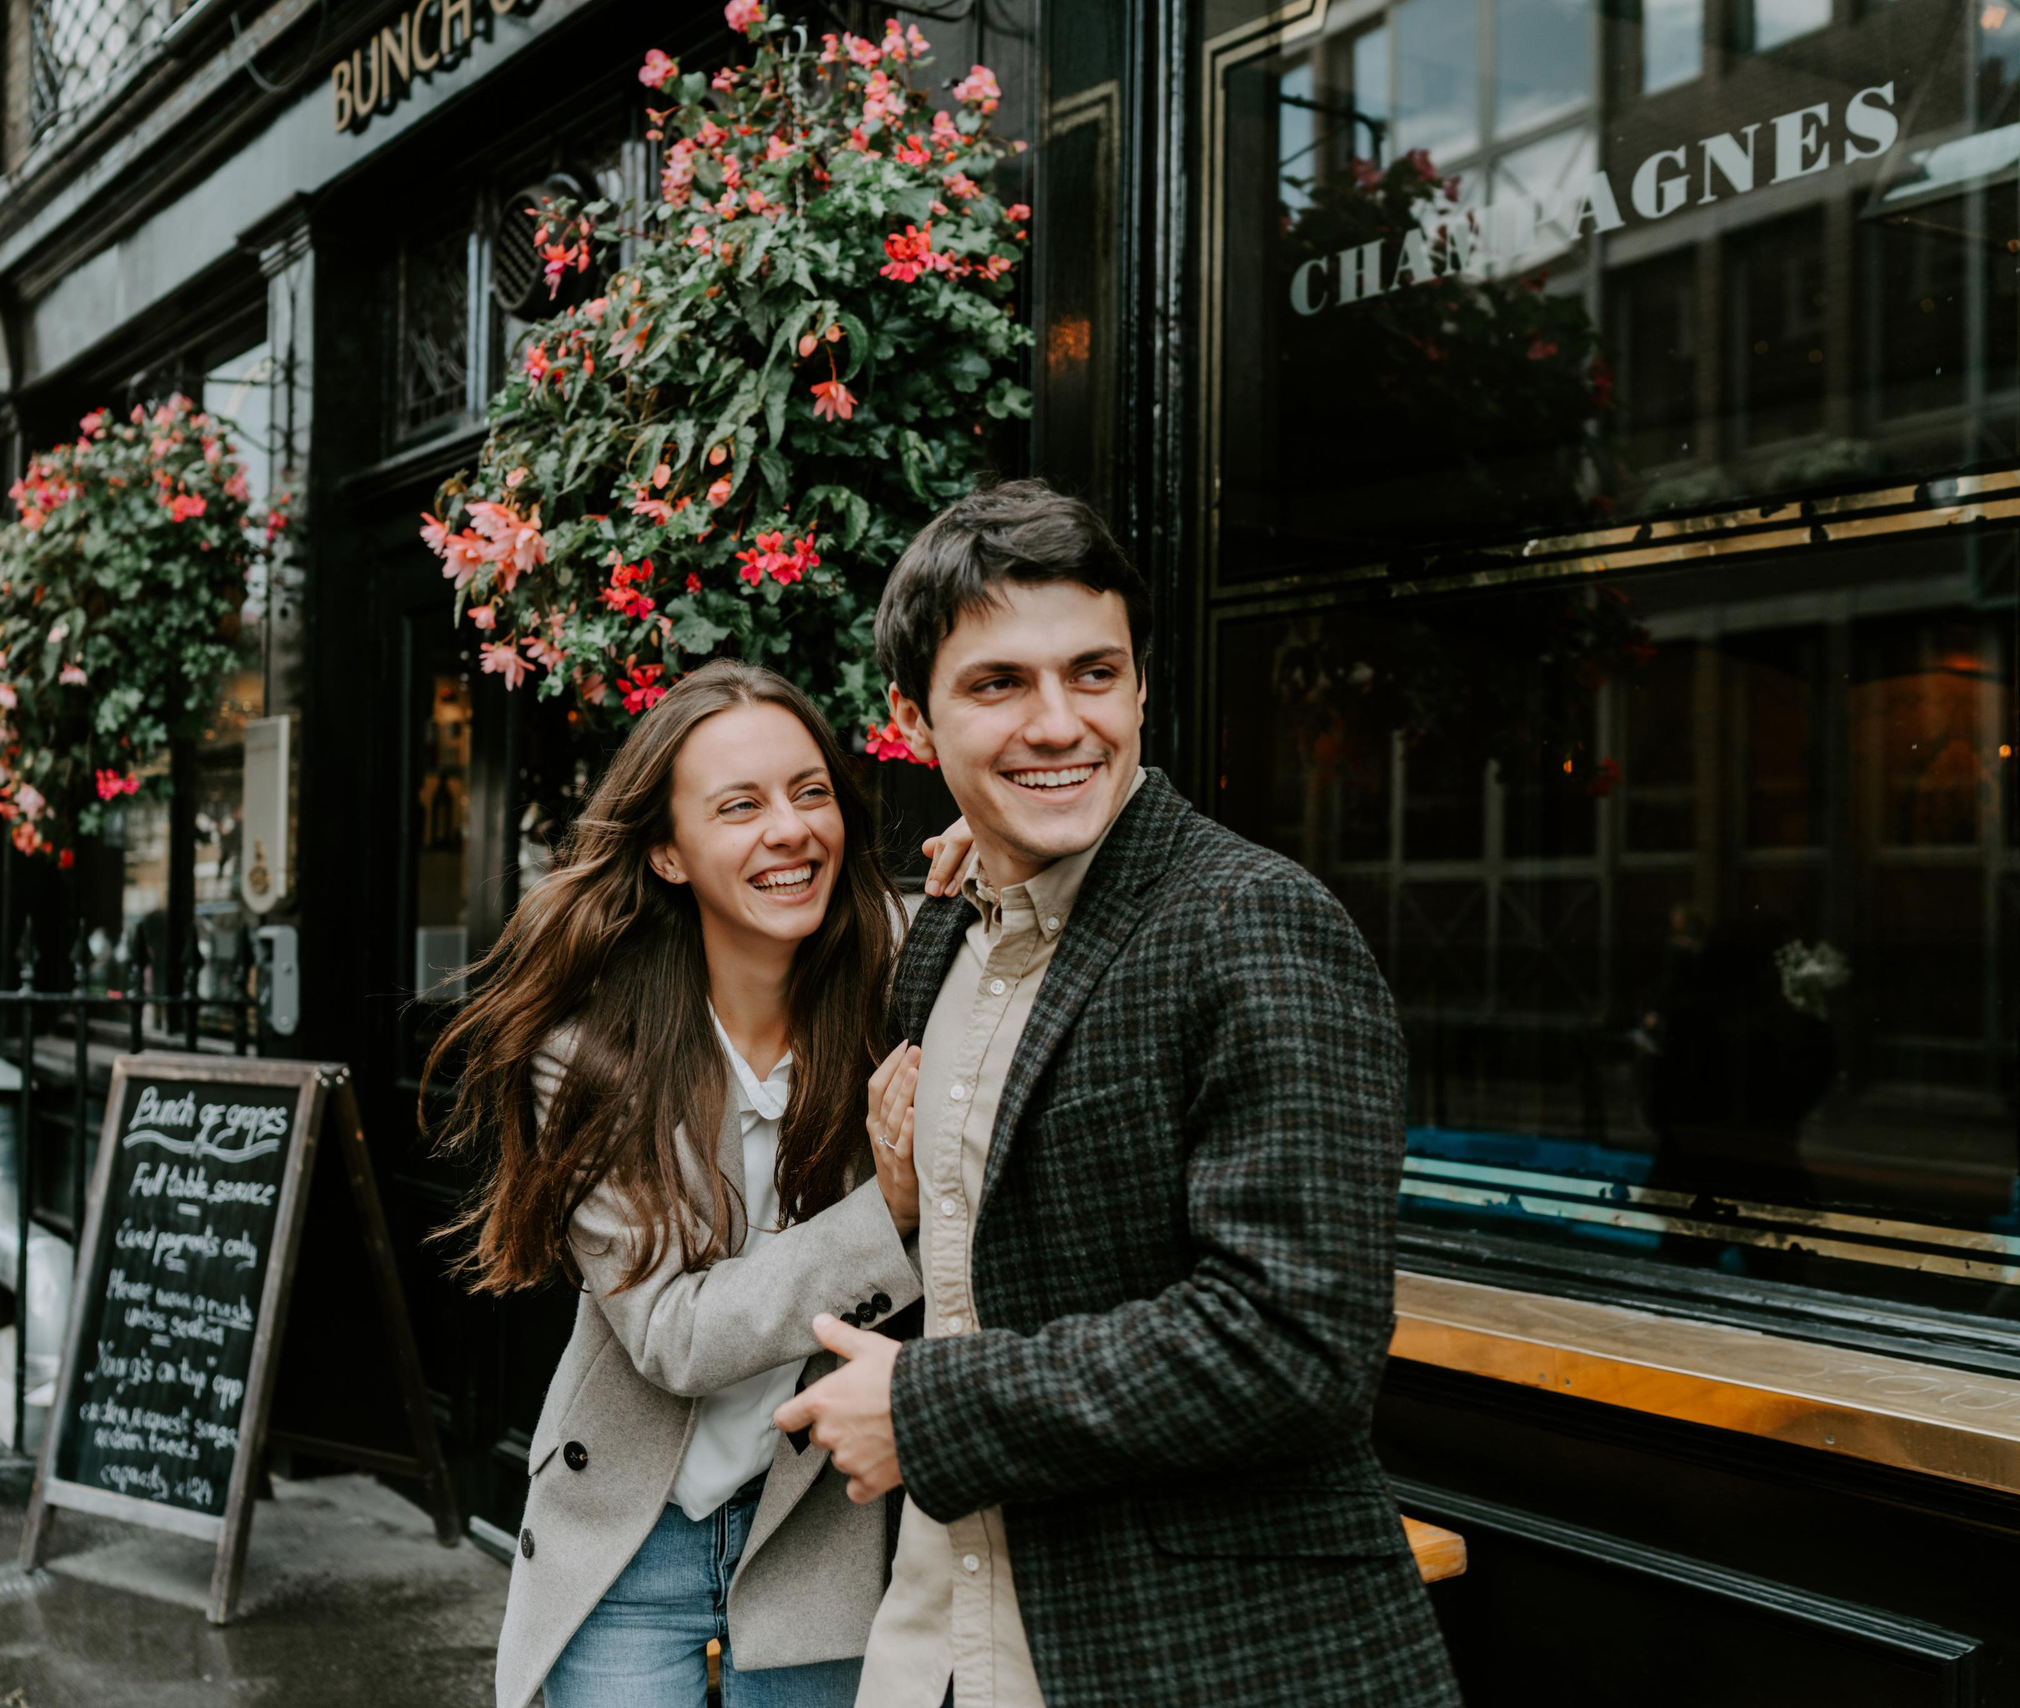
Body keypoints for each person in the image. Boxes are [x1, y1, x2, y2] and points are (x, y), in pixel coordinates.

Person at [774, 481, 1463, 1708]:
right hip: (941, 1639)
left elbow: (1294, 1343)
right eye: (998, 685)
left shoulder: (1250, 922)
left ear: (1141, 688)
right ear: (907, 716)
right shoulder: (943, 935)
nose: (1059, 722)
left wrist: (926, 1405)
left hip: (1192, 1656)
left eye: (1094, 673)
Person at [429, 660, 935, 1708]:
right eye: (738, 806)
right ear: (666, 851)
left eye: (810, 792)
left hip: (822, 1526)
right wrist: (884, 1213)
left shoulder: (904, 980)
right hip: (627, 1535)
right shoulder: (587, 1056)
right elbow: (675, 1336)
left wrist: (988, 871)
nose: (789, 829)